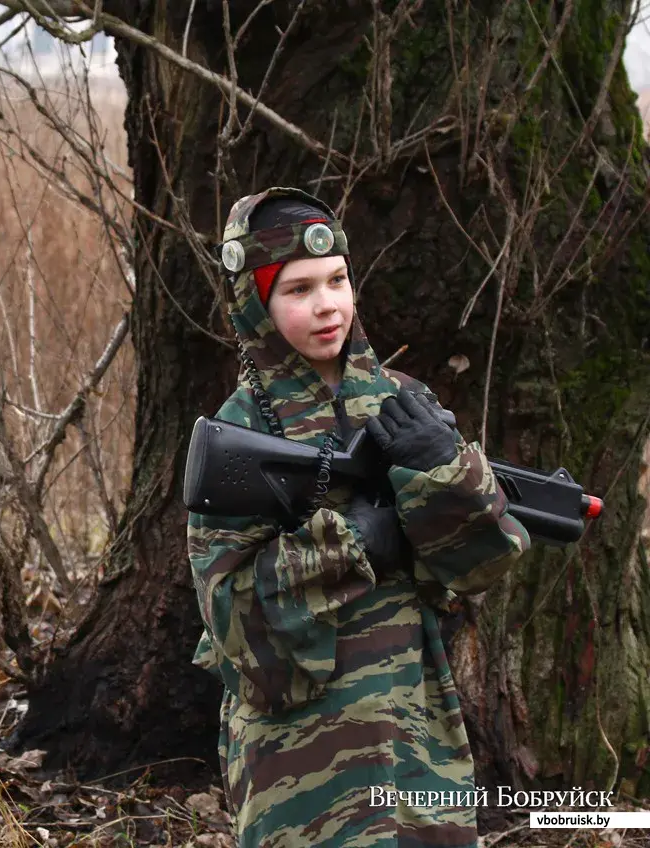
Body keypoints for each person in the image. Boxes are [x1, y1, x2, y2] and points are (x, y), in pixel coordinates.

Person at [188, 187, 530, 847]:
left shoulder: (406, 403)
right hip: (299, 768)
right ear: (255, 305)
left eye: (338, 280)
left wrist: (446, 471)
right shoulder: (238, 430)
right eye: (298, 290)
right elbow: (231, 620)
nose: (327, 305)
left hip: (416, 741)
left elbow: (484, 564)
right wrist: (353, 547)